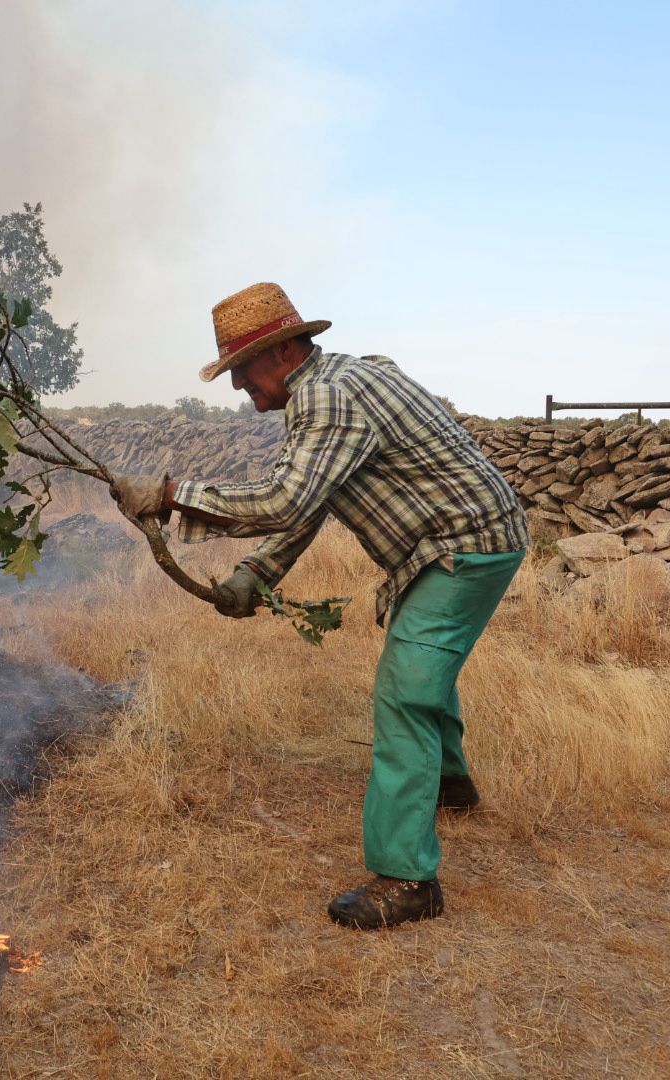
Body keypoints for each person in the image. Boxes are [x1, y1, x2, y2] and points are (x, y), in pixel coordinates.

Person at [110, 282, 528, 932]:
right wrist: (257, 571)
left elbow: (284, 501)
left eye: (240, 369)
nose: (236, 387)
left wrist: (170, 496)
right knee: (421, 667)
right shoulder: (335, 385)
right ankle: (450, 787)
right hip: (454, 543)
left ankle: (407, 880)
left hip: (464, 548)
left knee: (406, 691)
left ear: (281, 353)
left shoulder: (328, 397)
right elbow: (313, 499)